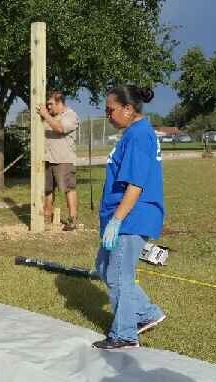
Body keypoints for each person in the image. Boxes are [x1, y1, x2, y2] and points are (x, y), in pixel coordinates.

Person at [91, 85, 166, 351]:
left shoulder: (138, 135)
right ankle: (147, 313)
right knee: (104, 268)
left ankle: (124, 334)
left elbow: (136, 185)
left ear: (128, 109)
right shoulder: (132, 133)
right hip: (120, 215)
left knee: (120, 274)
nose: (107, 115)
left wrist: (117, 220)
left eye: (110, 110)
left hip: (132, 217)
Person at [37, 91, 81, 231]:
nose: (48, 107)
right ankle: (46, 217)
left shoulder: (70, 115)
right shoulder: (49, 117)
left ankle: (72, 219)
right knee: (47, 189)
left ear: (60, 103)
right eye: (47, 105)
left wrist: (45, 115)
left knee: (68, 189)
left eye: (50, 104)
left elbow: (60, 128)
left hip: (64, 160)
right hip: (47, 159)